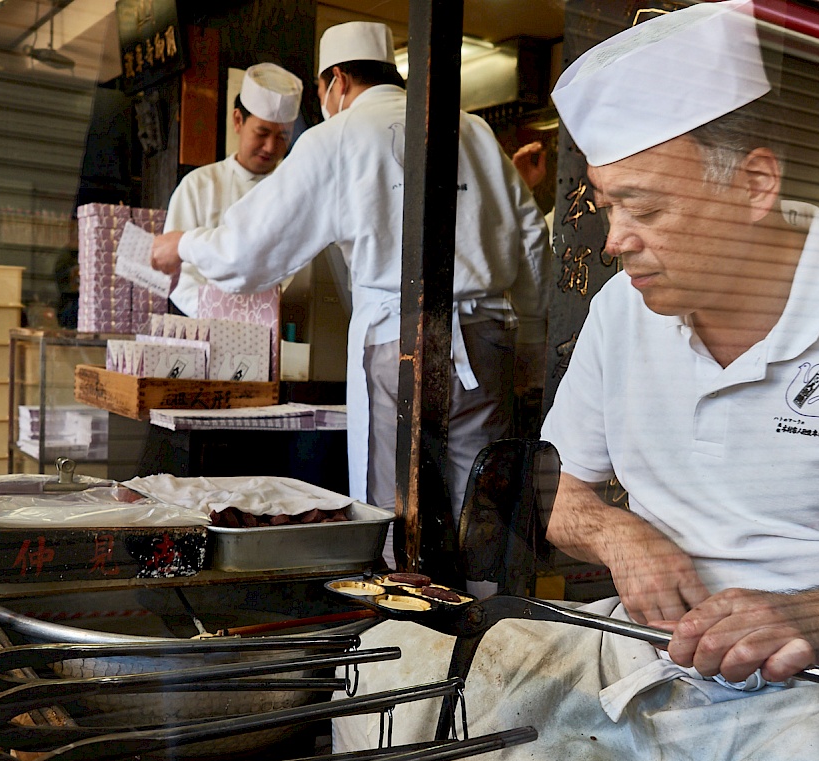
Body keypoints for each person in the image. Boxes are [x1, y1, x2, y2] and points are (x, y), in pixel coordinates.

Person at [302, 3, 819, 761]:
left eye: (643, 208)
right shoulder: (623, 312)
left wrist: (813, 615)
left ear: (755, 184)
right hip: (638, 653)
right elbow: (560, 498)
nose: (614, 242)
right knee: (383, 665)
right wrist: (615, 533)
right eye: (606, 206)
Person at [152, 22, 549, 540]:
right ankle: (488, 619)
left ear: (335, 82)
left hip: (400, 344)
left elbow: (246, 251)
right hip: (488, 340)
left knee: (394, 509)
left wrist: (181, 243)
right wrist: (531, 341)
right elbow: (532, 240)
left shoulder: (337, 137)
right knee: (483, 505)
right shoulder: (471, 128)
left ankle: (405, 618)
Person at [164, 62, 303, 316]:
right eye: (262, 133)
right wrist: (220, 314)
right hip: (207, 327)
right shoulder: (199, 186)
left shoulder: (297, 193)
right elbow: (179, 273)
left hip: (276, 328)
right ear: (238, 120)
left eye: (282, 136)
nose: (271, 147)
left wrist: (265, 312)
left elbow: (299, 271)